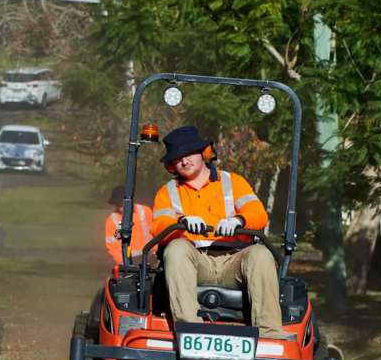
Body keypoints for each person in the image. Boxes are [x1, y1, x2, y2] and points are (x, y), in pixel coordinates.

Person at [151, 126, 286, 340]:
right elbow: (159, 226)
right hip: (195, 261)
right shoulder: (167, 192)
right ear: (171, 164)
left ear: (203, 153)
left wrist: (238, 220)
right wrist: (182, 222)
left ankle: (270, 336)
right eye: (178, 159)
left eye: (188, 154)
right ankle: (191, 332)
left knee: (261, 253)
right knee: (175, 248)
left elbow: (259, 214)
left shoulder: (234, 182)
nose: (184, 162)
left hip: (235, 261)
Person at [104, 186, 153, 265]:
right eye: (117, 205)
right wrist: (122, 262)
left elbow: (155, 232)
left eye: (122, 205)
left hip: (149, 255)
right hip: (126, 259)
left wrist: (155, 252)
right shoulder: (112, 220)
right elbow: (111, 245)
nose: (120, 209)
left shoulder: (145, 211)